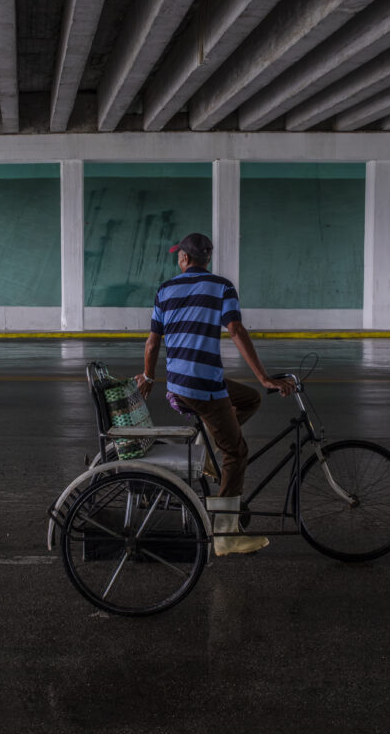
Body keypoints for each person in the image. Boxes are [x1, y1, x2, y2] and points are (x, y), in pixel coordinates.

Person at [137, 233, 293, 556]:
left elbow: (153, 342)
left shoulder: (165, 290)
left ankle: (207, 445)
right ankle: (225, 534)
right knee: (236, 453)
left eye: (178, 256)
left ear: (183, 259)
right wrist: (265, 376)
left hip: (181, 385)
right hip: (204, 388)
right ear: (206, 259)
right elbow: (235, 330)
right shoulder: (223, 287)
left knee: (250, 398)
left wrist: (149, 376)